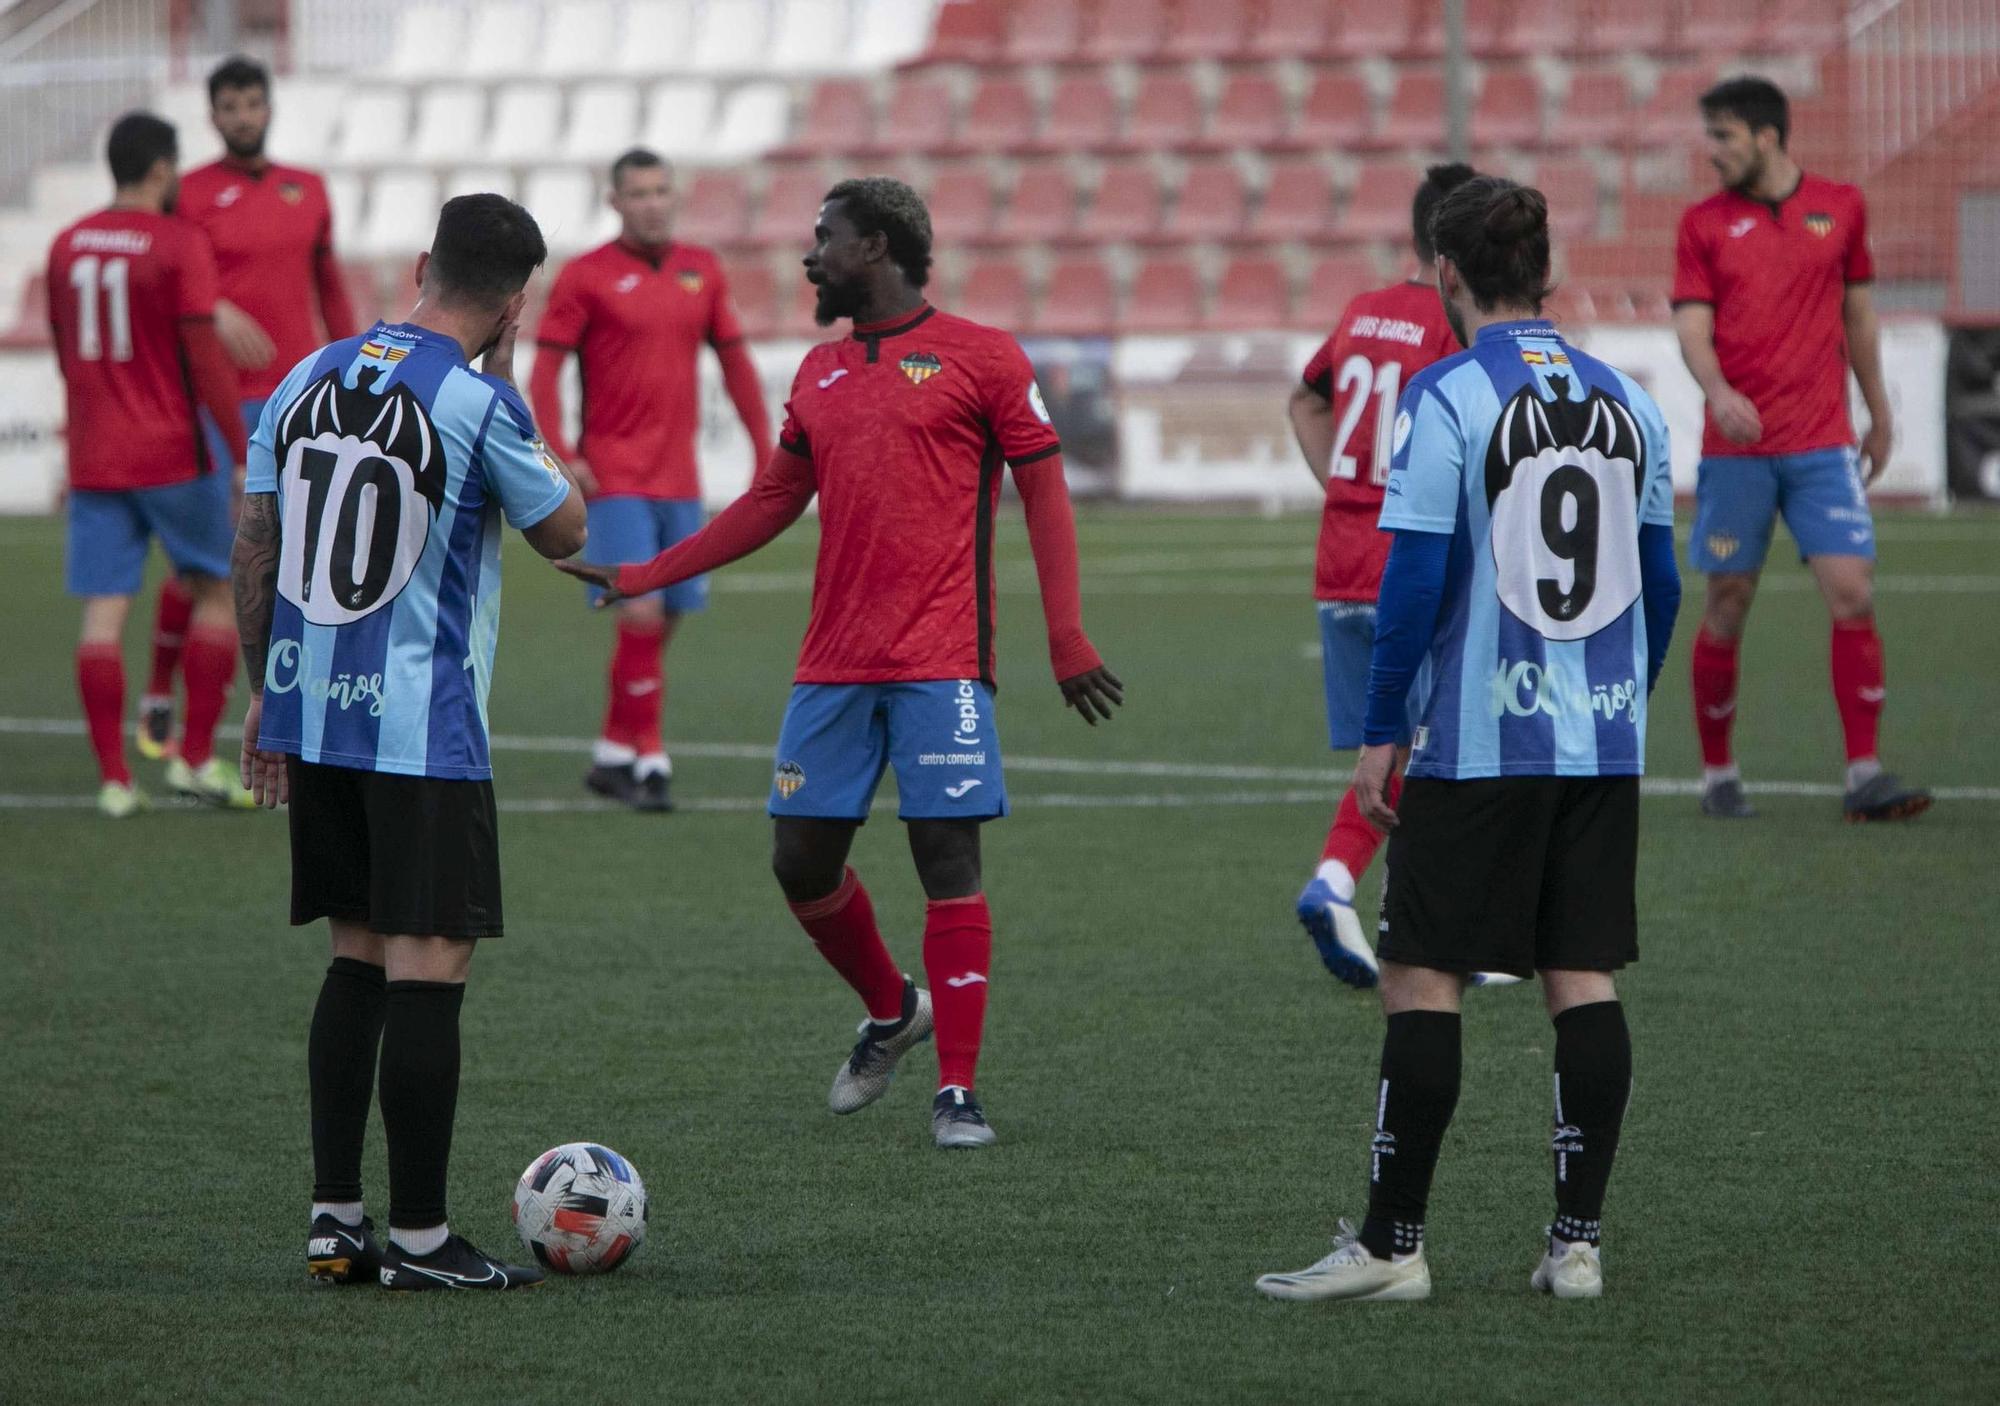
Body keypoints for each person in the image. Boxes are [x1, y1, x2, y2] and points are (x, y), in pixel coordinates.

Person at [560, 177, 1122, 1149]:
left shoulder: (983, 356)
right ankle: (890, 1005)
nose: (810, 256)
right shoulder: (816, 371)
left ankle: (957, 1089)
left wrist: (1064, 635)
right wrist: (643, 568)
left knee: (945, 852)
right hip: (832, 662)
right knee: (798, 857)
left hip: (942, 657)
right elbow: (772, 499)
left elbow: (1043, 491)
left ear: (877, 246)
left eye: (825, 239)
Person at [1254, 177, 1681, 1303]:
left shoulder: (1445, 396)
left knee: (1417, 975)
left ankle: (1393, 1245)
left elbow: (1408, 584)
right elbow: (1663, 585)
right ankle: (1574, 1243)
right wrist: (1620, 698)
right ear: (1543, 272)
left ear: (1443, 274)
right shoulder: (1629, 398)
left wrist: (1381, 728)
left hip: (1479, 737)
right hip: (1598, 738)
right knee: (1579, 973)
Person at [231, 193, 587, 1290]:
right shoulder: (481, 404)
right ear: (516, 298)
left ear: (425, 262)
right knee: (430, 966)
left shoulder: (304, 373)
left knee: (355, 957)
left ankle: (335, 1219)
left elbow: (256, 537)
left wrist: (266, 693)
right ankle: (425, 1240)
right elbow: (567, 532)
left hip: (316, 710)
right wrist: (509, 376)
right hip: (419, 727)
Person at [1672, 76, 1930, 822]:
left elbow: (1860, 316)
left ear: (1767, 135)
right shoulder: (1701, 224)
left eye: (1723, 136)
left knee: (1853, 591)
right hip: (1735, 449)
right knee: (1728, 601)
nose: (1712, 151)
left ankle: (1864, 773)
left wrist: (1879, 414)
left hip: (1822, 442)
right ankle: (1718, 774)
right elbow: (1692, 325)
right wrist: (1719, 391)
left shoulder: (1842, 206)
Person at [1288, 161, 1493, 989]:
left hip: (1339, 565)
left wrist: (1343, 485)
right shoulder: (1455, 329)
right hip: (1408, 567)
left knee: (1401, 747)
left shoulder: (1362, 311)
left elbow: (1305, 401)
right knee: (1437, 753)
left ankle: (1423, 927)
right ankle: (1337, 883)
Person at [530, 148, 773, 812]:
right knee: (640, 608)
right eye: (638, 193)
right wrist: (559, 451)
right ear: (615, 202)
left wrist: (764, 451)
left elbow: (737, 364)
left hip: (679, 478)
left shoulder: (704, 269)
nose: (653, 203)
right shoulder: (586, 277)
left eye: (662, 191)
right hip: (616, 475)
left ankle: (612, 752)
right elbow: (545, 372)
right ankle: (650, 761)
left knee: (664, 621)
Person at [138, 55, 358, 768]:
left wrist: (355, 365)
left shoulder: (310, 189)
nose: (242, 117)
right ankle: (167, 690)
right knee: (220, 556)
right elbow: (166, 284)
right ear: (213, 116)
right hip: (219, 399)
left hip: (299, 399)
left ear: (269, 109)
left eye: (252, 105)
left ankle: (273, 702)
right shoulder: (189, 194)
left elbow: (331, 289)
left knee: (290, 557)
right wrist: (215, 306)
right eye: (229, 107)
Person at [46, 111, 251, 816]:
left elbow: (66, 351)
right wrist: (241, 449)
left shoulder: (67, 244)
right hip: (171, 451)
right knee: (216, 591)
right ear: (162, 169)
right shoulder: (177, 240)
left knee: (103, 617)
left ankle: (114, 780)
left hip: (97, 456)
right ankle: (193, 759)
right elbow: (204, 356)